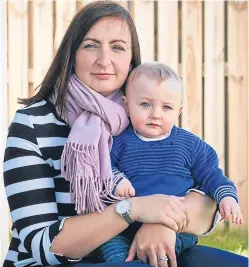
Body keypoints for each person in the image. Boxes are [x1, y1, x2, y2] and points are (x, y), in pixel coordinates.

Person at [3, 1, 247, 267]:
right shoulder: (33, 123)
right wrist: (132, 210)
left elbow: (206, 204)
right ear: (71, 54)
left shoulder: (147, 114)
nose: (104, 60)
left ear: (132, 59)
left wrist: (162, 223)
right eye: (90, 45)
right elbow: (42, 244)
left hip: (149, 250)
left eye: (118, 47)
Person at [96, 62, 243, 264]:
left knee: (162, 253)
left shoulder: (190, 145)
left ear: (178, 111)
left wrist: (227, 197)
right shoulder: (120, 142)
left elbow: (212, 175)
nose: (156, 114)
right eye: (146, 104)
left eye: (166, 107)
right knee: (110, 245)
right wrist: (117, 180)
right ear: (126, 104)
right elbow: (102, 168)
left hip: (173, 226)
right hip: (126, 225)